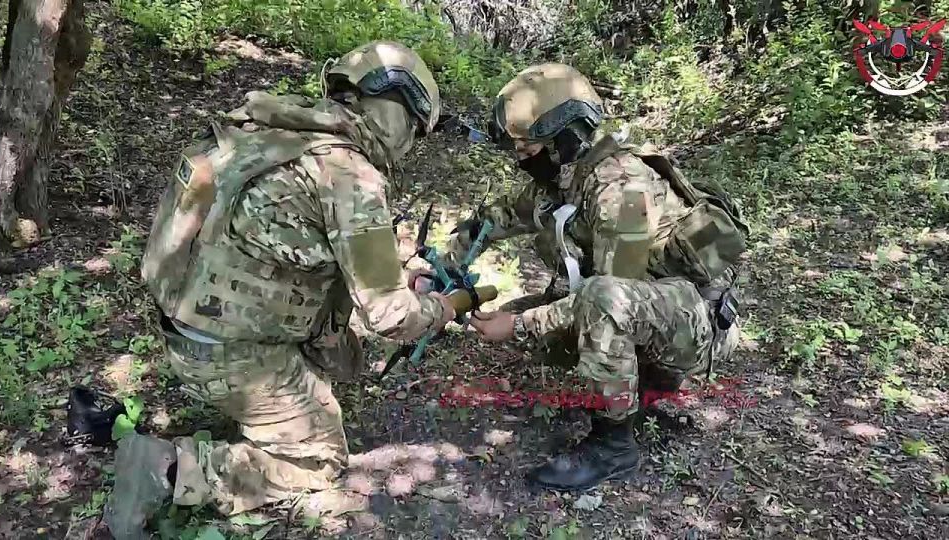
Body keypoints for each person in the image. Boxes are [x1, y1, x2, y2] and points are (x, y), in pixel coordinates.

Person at [104, 41, 457, 538]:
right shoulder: (348, 173)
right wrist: (443, 307)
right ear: (398, 114)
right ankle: (171, 468)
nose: (411, 145)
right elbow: (389, 315)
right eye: (415, 131)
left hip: (187, 324)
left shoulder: (274, 132)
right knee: (321, 460)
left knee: (335, 366)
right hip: (228, 355)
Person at [457, 63, 749, 491]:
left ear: (562, 138)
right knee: (543, 322)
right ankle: (639, 385)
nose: (520, 159)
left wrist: (517, 325)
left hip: (696, 325)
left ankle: (614, 446)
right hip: (655, 307)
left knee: (590, 307)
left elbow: (613, 297)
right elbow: (498, 218)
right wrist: (445, 265)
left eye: (527, 147)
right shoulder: (566, 177)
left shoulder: (620, 188)